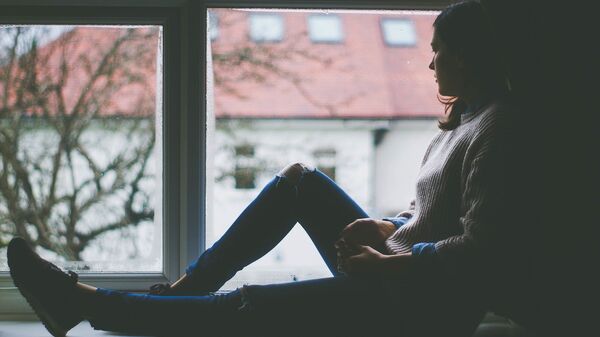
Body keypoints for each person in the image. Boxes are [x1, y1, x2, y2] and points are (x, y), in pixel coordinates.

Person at [7, 1, 520, 336]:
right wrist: (386, 226)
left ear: (470, 57)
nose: (431, 65)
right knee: (300, 181)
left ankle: (86, 303)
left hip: (425, 311)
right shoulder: (463, 119)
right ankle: (185, 292)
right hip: (399, 273)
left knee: (251, 306)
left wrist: (390, 262)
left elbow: (484, 251)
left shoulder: (498, 127)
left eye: (440, 53)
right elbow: (428, 210)